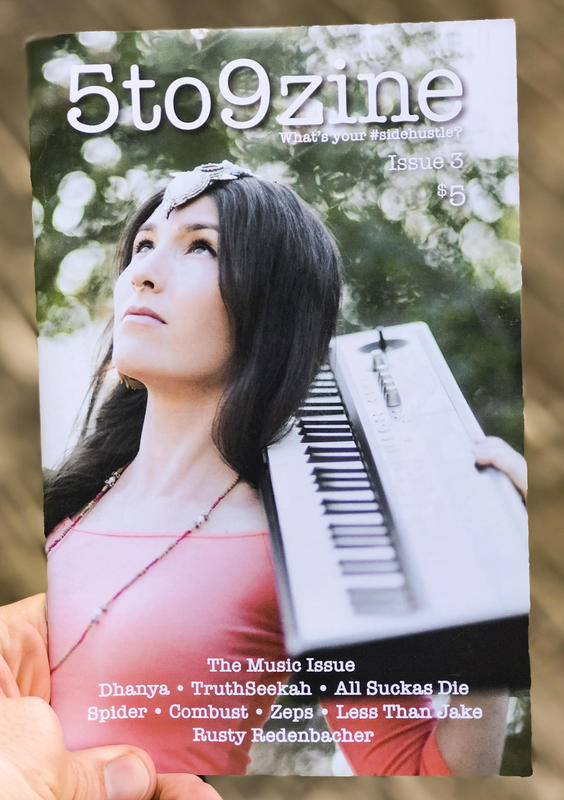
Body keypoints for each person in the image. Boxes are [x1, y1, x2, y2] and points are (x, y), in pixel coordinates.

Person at [41, 161, 526, 777]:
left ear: (269, 305)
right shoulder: (60, 503)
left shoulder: (300, 542)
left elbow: (429, 777)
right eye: (143, 245)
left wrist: (503, 586)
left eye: (200, 247)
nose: (144, 274)